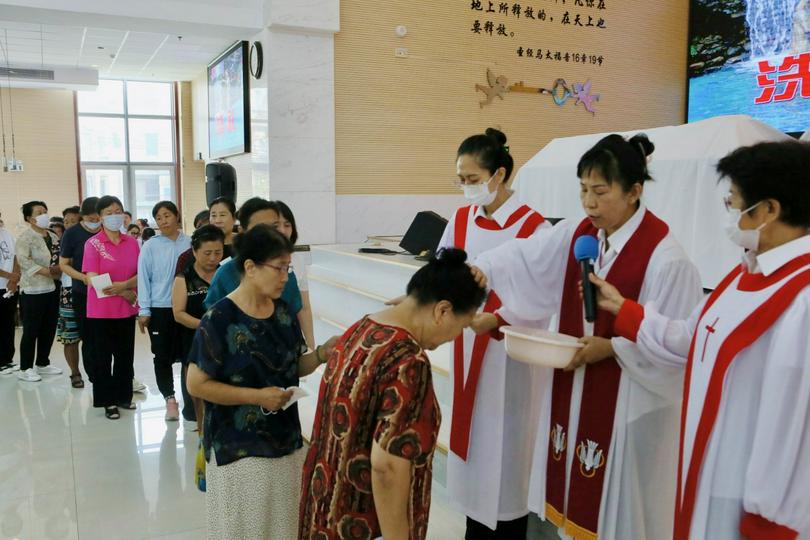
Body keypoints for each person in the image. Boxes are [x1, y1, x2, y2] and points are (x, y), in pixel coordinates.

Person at [472, 134, 703, 540]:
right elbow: (531, 256)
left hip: (632, 407)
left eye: (600, 191)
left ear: (634, 191)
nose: (589, 203)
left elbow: (677, 348)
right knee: (575, 505)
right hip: (578, 389)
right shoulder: (583, 235)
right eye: (582, 190)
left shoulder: (667, 260)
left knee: (621, 516)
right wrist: (484, 268)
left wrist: (611, 347)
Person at [588, 140, 810, 540]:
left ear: (770, 210)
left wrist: (771, 522)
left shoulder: (802, 299)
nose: (729, 215)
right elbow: (690, 340)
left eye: (734, 203)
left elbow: (796, 425)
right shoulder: (743, 274)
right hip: (708, 475)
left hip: (753, 503)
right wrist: (625, 310)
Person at [299, 248, 487, 540]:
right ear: (442, 310)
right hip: (362, 525)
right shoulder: (408, 361)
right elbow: (387, 466)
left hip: (323, 513)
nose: (455, 337)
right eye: (461, 326)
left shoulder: (359, 328)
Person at [433, 128, 552, 539]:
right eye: (460, 180)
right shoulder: (462, 219)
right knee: (476, 454)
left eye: (472, 179)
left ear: (498, 175)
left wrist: (499, 321)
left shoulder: (533, 227)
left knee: (507, 455)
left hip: (511, 356)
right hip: (469, 347)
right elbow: (443, 270)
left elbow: (543, 297)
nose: (466, 189)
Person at [186, 225, 338, 540]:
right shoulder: (220, 318)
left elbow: (294, 365)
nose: (286, 277)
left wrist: (322, 353)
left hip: (285, 441)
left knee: (284, 528)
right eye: (279, 268)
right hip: (239, 447)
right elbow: (196, 384)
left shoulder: (282, 313)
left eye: (289, 268)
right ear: (250, 267)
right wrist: (256, 396)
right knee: (245, 531)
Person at [83, 195, 139, 420]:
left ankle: (124, 396)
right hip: (101, 310)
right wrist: (121, 290)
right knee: (103, 358)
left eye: (118, 211)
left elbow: (140, 274)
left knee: (125, 356)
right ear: (100, 217)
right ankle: (108, 402)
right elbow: (92, 278)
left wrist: (126, 288)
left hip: (126, 307)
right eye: (109, 212)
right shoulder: (93, 244)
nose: (114, 216)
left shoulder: (132, 242)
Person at [203, 198, 302, 317]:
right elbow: (214, 321)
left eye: (274, 226)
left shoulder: (287, 275)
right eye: (261, 228)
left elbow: (294, 317)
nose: (270, 234)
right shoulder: (225, 274)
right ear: (243, 232)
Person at [138, 201, 191, 421]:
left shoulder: (190, 242)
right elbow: (143, 278)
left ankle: (191, 401)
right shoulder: (150, 246)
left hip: (187, 308)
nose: (163, 221)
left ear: (177, 216)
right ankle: (170, 399)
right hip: (160, 309)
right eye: (158, 217)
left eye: (167, 215)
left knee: (189, 356)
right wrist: (144, 309)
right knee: (162, 356)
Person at [172, 224, 224, 430]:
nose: (213, 258)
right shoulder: (184, 278)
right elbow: (178, 314)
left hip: (225, 340)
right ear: (194, 251)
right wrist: (206, 326)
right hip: (195, 341)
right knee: (198, 389)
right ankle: (203, 430)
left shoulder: (227, 274)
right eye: (207, 253)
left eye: (218, 252)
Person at [15, 201, 63, 382]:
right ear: (30, 218)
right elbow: (24, 261)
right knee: (31, 329)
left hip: (53, 287)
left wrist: (59, 270)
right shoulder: (25, 237)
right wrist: (47, 271)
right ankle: (25, 367)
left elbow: (60, 256)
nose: (44, 214)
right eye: (39, 212)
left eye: (45, 211)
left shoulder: (52, 235)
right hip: (33, 289)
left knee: (49, 327)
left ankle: (43, 363)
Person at [274, 200, 316, 348]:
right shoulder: (254, 262)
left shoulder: (297, 260)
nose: (283, 230)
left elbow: (304, 307)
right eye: (276, 225)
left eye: (287, 225)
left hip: (290, 337)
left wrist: (311, 345)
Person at [174, 197, 237, 281]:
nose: (218, 220)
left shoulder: (247, 247)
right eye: (213, 215)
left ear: (234, 218)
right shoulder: (189, 255)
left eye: (222, 215)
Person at [55, 206, 83, 387]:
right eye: (66, 222)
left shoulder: (90, 239)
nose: (69, 225)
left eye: (73, 221)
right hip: (68, 292)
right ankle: (75, 373)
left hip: (88, 290)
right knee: (70, 337)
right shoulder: (60, 242)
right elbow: (56, 268)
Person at [0, 211, 21, 374]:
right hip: (4, 281)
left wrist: (14, 280)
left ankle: (7, 359)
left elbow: (15, 257)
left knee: (8, 324)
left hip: (9, 287)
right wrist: (9, 276)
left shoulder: (6, 233)